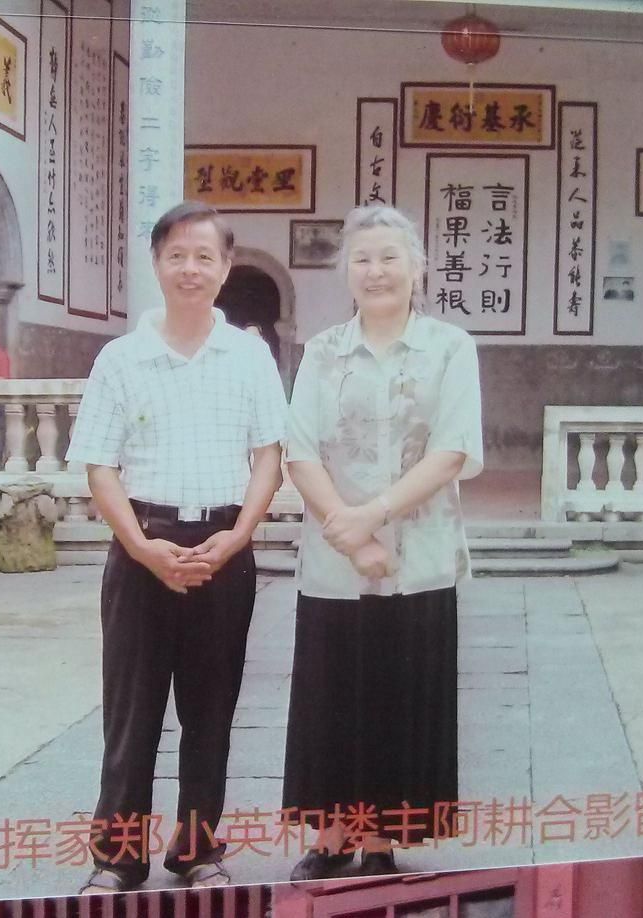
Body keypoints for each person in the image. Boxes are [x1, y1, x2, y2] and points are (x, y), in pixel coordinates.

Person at [65, 201, 288, 893]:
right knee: (131, 714)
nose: (191, 269)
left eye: (204, 257)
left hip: (224, 546)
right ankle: (117, 857)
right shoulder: (121, 359)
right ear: (157, 264)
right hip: (143, 546)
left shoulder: (249, 356)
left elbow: (269, 455)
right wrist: (140, 546)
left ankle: (197, 850)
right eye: (177, 256)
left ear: (225, 268)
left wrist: (238, 536)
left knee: (210, 712)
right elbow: (99, 465)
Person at [280, 205, 483, 880]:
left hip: (418, 557)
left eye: (390, 257)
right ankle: (332, 835)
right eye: (362, 258)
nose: (376, 271)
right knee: (332, 697)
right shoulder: (322, 352)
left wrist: (371, 516)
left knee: (399, 697)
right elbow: (299, 450)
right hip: (335, 561)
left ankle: (380, 840)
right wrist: (352, 535)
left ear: (418, 267)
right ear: (346, 270)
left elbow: (453, 449)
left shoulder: (450, 348)